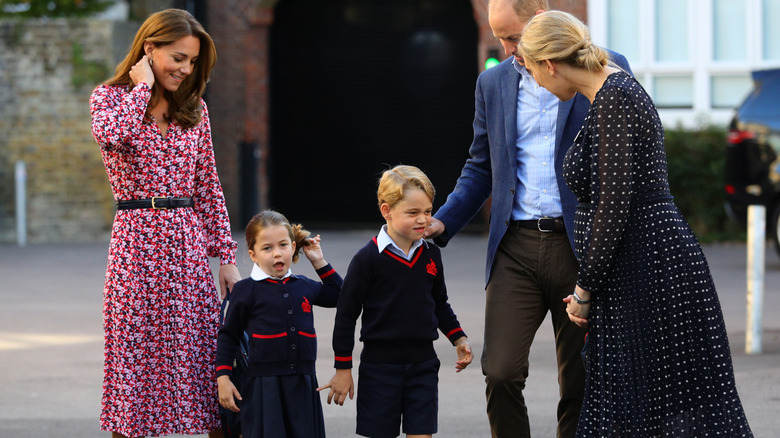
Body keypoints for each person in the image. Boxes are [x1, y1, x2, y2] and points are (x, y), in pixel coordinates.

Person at [518, 10, 754, 437]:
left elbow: (613, 205)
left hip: (646, 267)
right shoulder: (610, 92)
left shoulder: (613, 96)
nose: (535, 81)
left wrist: (584, 290)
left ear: (550, 64)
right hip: (639, 265)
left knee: (648, 406)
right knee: (644, 405)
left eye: (532, 69)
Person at [422, 1, 631, 437]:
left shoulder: (605, 68)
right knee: (499, 371)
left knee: (580, 381)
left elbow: (620, 165)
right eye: (500, 38)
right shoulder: (492, 82)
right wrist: (442, 222)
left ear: (540, 12)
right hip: (514, 247)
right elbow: (481, 166)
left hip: (580, 246)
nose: (507, 48)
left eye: (514, 37)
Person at [90, 9, 241, 438]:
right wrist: (141, 89)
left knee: (204, 365)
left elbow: (209, 188)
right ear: (149, 48)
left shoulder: (194, 110)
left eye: (192, 62)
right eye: (178, 57)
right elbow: (111, 136)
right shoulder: (109, 98)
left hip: (186, 247)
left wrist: (226, 258)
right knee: (133, 369)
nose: (186, 69)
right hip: (134, 246)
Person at [319, 165, 473, 438]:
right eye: (412, 213)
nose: (423, 220)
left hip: (423, 364)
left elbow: (439, 303)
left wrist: (459, 339)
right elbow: (346, 316)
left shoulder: (431, 256)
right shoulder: (367, 259)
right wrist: (343, 368)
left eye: (427, 211)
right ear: (386, 211)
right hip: (379, 368)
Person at [216, 210, 343, 438]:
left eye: (283, 245)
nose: (277, 254)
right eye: (267, 248)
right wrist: (223, 379)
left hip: (303, 384)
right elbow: (229, 335)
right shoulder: (246, 291)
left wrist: (319, 261)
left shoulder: (304, 286)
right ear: (253, 255)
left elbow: (341, 296)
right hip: (264, 388)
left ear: (293, 247)